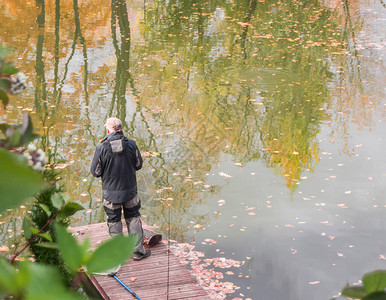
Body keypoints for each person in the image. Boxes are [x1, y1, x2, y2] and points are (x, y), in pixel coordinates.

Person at [90, 117, 151, 261]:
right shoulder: (132, 145)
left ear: (108, 130)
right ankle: (138, 252)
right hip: (130, 191)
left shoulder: (101, 148)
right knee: (133, 217)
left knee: (114, 220)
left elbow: (96, 172)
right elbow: (138, 165)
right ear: (121, 128)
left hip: (110, 193)